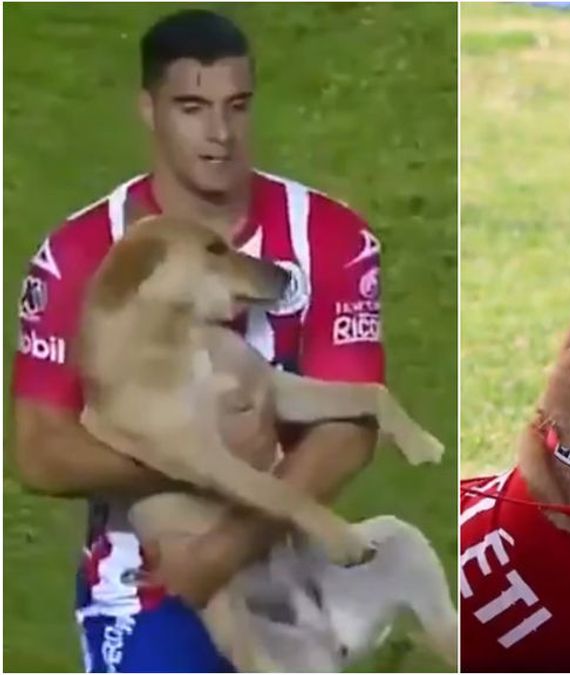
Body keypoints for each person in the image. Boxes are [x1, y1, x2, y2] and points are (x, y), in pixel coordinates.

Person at [12, 10, 387, 672]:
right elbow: (41, 450)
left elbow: (351, 426)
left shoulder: (330, 237)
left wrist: (223, 550)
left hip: (289, 559)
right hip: (149, 574)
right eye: (192, 107)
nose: (219, 135)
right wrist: (195, 456)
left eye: (236, 107)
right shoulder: (78, 254)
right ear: (148, 109)